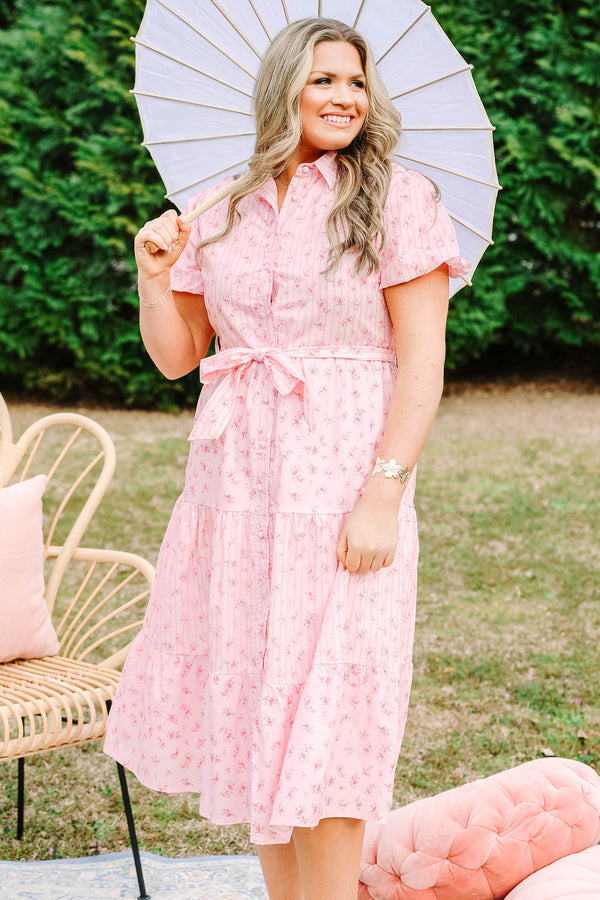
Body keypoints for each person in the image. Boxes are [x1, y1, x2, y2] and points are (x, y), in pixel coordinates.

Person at [104, 16, 470, 900]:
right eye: (324, 81)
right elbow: (178, 353)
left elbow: (422, 363)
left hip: (344, 483)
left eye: (355, 82)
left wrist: (384, 492)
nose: (345, 98)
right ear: (283, 91)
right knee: (257, 706)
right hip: (235, 494)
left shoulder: (397, 201)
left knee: (332, 710)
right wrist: (156, 274)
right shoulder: (219, 208)